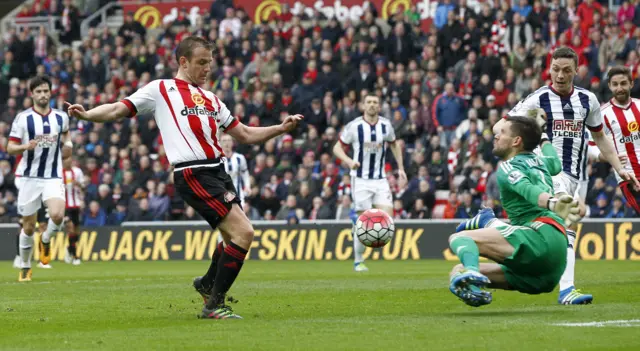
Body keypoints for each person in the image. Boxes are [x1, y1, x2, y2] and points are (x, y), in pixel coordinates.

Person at [66, 36, 303, 319]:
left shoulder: (212, 99)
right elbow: (119, 108)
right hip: (193, 172)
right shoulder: (161, 89)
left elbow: (245, 134)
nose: (207, 69)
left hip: (218, 171)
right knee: (244, 233)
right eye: (201, 63)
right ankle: (214, 305)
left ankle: (206, 284)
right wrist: (88, 115)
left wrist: (280, 128)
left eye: (210, 63)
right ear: (183, 62)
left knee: (232, 238)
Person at [493, 47, 639, 305]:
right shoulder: (537, 100)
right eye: (556, 69)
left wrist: (619, 167)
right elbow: (499, 126)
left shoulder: (587, 100)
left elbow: (600, 137)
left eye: (566, 70)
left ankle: (490, 227)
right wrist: (524, 136)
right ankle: (566, 290)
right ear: (549, 69)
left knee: (563, 232)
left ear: (576, 71)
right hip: (546, 170)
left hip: (575, 175)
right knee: (567, 218)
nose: (560, 75)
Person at [450, 116, 580, 307]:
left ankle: (479, 250)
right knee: (457, 271)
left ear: (516, 141)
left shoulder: (508, 167)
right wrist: (543, 135)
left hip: (541, 236)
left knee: (459, 238)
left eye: (501, 133)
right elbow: (556, 163)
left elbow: (528, 189)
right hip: (550, 267)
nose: (496, 137)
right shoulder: (540, 161)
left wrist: (552, 203)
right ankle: (473, 284)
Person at [7, 75, 72, 281]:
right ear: (32, 94)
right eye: (39, 91)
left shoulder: (61, 117)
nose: (43, 95)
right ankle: (25, 266)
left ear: (50, 92)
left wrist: (69, 146)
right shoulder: (23, 119)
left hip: (52, 176)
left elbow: (67, 137)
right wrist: (25, 146)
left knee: (58, 215)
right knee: (27, 226)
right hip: (29, 178)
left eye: (46, 91)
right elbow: (9, 147)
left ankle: (45, 240)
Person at [332, 94, 406, 272]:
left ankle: (357, 222)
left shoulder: (385, 125)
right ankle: (358, 261)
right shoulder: (354, 126)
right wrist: (349, 161)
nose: (372, 105)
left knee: (387, 218)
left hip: (380, 179)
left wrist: (401, 168)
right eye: (369, 102)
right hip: (360, 179)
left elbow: (394, 144)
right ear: (363, 106)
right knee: (363, 223)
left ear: (379, 107)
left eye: (375, 103)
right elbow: (336, 148)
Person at [587, 66, 640, 215]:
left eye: (623, 83)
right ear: (609, 85)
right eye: (615, 84)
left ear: (631, 83)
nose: (619, 88)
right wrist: (605, 157)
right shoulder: (602, 114)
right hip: (629, 177)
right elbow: (591, 147)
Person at [62, 156, 84, 265]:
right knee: (70, 229)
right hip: (65, 206)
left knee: (76, 232)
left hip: (76, 205)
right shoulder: (58, 174)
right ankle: (76, 257)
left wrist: (79, 185)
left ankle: (69, 249)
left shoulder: (77, 172)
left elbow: (83, 187)